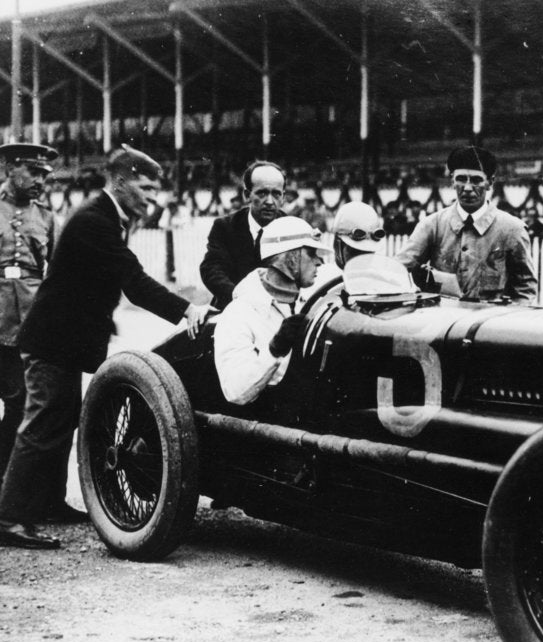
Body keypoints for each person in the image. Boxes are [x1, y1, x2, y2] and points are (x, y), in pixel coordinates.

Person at [0, 145, 214, 549]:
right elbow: (131, 279)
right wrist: (186, 309)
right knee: (42, 425)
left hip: (61, 340)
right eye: (145, 185)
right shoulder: (95, 221)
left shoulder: (108, 216)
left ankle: (48, 502)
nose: (152, 195)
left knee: (60, 423)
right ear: (120, 181)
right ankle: (10, 516)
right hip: (50, 341)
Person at [397, 145, 537, 303]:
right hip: (443, 321)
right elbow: (398, 270)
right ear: (452, 181)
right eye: (461, 179)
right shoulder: (433, 225)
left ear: (490, 183)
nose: (468, 188)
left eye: (476, 180)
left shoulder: (512, 229)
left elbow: (525, 289)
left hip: (488, 323)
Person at [213, 216, 330, 406]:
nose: (320, 262)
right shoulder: (239, 313)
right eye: (311, 253)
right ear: (291, 258)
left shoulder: (310, 304)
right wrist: (275, 349)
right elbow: (235, 391)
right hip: (269, 422)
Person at [0, 143, 57, 505]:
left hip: (31, 324)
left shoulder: (47, 217)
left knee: (23, 405)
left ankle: (11, 488)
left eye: (44, 176)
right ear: (9, 168)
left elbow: (58, 270)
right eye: (33, 173)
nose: (40, 182)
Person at [200, 160, 287, 311]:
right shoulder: (225, 227)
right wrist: (239, 298)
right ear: (247, 195)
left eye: (276, 194)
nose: (270, 201)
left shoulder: (293, 228)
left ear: (283, 197)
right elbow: (211, 269)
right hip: (233, 307)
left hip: (279, 311)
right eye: (262, 193)